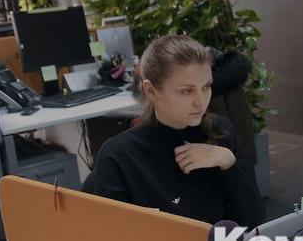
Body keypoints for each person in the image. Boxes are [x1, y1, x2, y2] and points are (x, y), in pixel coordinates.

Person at [83, 35, 264, 227]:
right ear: (151, 91)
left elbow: (253, 220)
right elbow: (113, 237)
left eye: (206, 87)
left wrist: (228, 163)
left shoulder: (221, 132)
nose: (201, 101)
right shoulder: (119, 156)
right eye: (186, 91)